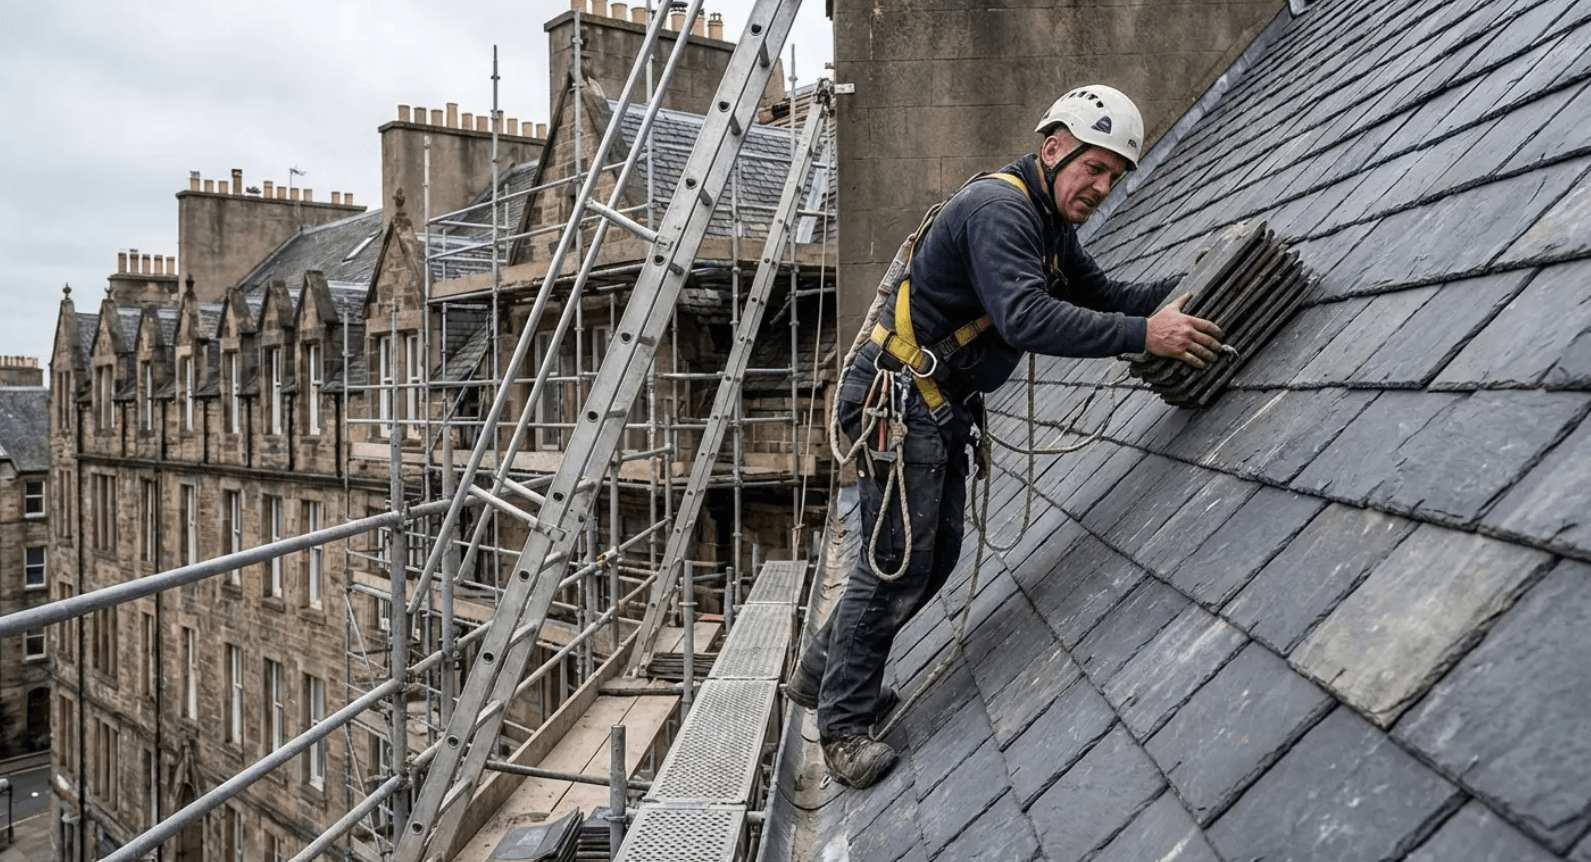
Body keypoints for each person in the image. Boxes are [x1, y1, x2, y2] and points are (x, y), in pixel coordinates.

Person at [786, 85, 1225, 789]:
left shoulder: (1047, 221)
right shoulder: (1000, 210)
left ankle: (824, 673)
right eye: (1093, 168)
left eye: (1115, 176)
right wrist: (1148, 336)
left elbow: (1100, 295)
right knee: (898, 560)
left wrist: (1194, 283)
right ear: (1053, 149)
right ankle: (841, 723)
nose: (1102, 187)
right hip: (898, 398)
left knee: (935, 554)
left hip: (932, 401)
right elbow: (1025, 318)